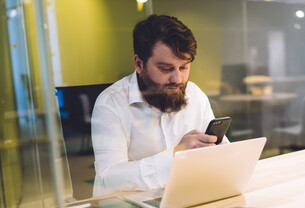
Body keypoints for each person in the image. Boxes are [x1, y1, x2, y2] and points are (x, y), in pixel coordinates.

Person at [91, 14, 224, 196]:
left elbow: (223, 154)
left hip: (186, 200)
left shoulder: (195, 94)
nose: (177, 79)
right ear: (139, 64)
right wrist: (176, 155)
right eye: (166, 69)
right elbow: (108, 179)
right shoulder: (110, 103)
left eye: (184, 67)